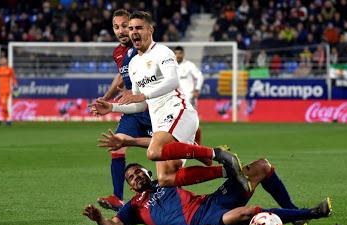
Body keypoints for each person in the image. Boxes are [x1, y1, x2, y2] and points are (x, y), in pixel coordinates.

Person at [91, 11, 251, 192]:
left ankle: (219, 155)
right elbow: (140, 105)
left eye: (139, 28)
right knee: (166, 178)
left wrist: (143, 95)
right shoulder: (134, 64)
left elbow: (173, 81)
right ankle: (228, 171)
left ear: (150, 29)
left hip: (178, 111)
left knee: (153, 152)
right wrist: (112, 107)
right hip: (161, 122)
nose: (133, 32)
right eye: (131, 28)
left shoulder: (162, 51)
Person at [83, 161, 332, 225]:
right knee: (249, 214)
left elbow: (186, 166)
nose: (136, 178)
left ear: (149, 173)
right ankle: (310, 213)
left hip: (212, 201)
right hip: (199, 222)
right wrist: (99, 220)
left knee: (261, 167)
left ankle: (296, 217)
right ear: (130, 186)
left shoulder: (165, 179)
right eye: (131, 178)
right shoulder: (135, 205)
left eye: (139, 173)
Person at [94, 9, 153, 211]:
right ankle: (118, 197)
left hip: (152, 108)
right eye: (116, 27)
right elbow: (121, 76)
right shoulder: (119, 52)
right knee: (117, 145)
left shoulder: (144, 48)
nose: (121, 31)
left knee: (164, 151)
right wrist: (106, 98)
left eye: (125, 26)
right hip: (132, 110)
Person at [174, 46, 204, 144]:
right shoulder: (171, 66)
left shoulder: (189, 65)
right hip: (176, 99)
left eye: (180, 53)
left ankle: (197, 143)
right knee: (178, 122)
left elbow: (200, 76)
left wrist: (197, 89)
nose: (178, 55)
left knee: (193, 121)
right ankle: (184, 142)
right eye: (176, 53)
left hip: (189, 98)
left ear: (183, 54)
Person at [0, 56, 18, 126]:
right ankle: (7, 119)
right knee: (3, 103)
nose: (3, 61)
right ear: (0, 61)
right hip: (1, 89)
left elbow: (13, 78)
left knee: (4, 103)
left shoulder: (10, 69)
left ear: (6, 61)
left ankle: (3, 118)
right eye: (1, 60)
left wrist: (15, 85)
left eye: (4, 60)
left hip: (8, 89)